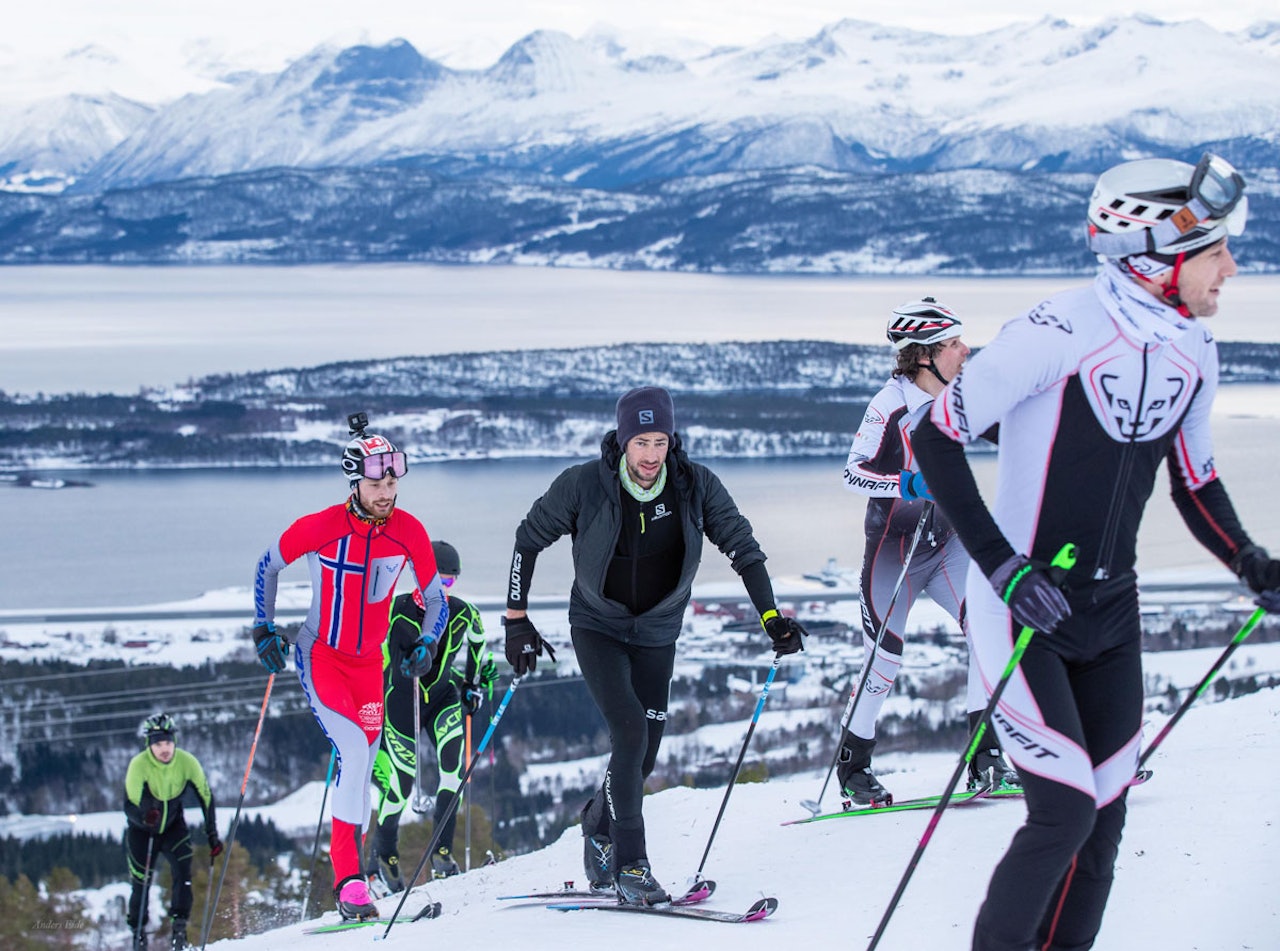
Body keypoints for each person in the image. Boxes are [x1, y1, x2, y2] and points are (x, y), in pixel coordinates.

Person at [913, 153, 1280, 951]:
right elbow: (933, 436)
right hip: (1020, 613)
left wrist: (1250, 559)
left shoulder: (1195, 352)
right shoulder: (1058, 329)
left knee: (1105, 824)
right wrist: (1004, 569)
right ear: (1159, 253)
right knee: (1065, 810)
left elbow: (1195, 481)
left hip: (1112, 615)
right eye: (1216, 249)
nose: (1232, 267)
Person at [503, 385, 807, 906]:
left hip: (659, 632)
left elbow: (743, 547)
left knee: (643, 755)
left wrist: (771, 615)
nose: (650, 455)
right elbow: (528, 539)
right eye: (640, 442)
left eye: (659, 441)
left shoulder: (695, 486)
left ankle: (598, 823)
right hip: (598, 626)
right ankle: (632, 866)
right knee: (628, 730)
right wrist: (515, 619)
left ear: (671, 440)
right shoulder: (583, 485)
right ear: (624, 441)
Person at [250, 412, 448, 921]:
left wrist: (427, 641)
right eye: (377, 483)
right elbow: (268, 564)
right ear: (355, 481)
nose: (386, 492)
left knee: (362, 772)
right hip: (321, 658)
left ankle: (354, 879)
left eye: (392, 482)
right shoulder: (321, 527)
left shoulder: (408, 532)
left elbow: (432, 597)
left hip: (369, 668)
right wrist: (262, 626)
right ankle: (349, 882)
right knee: (356, 753)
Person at [836, 297, 1017, 807]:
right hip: (896, 551)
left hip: (947, 545)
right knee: (885, 658)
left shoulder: (959, 394)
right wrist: (909, 482)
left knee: (988, 631)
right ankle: (853, 767)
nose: (966, 350)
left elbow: (1005, 431)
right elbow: (852, 471)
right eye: (955, 343)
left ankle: (986, 758)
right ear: (924, 355)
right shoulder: (888, 405)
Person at [368, 540, 499, 893]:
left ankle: (442, 856)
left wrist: (474, 684)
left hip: (442, 697)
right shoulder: (396, 611)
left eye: (449, 583)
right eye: (434, 582)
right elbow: (376, 658)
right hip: (400, 702)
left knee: (453, 773)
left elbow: (479, 645)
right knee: (400, 788)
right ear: (418, 578)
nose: (440, 590)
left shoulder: (464, 612)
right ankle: (385, 857)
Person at [124, 713, 221, 951]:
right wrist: (144, 816)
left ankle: (179, 930)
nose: (165, 748)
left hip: (173, 828)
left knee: (182, 875)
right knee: (141, 883)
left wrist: (212, 835)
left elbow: (206, 796)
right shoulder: (139, 765)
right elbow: (129, 804)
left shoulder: (186, 762)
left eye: (168, 742)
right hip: (142, 832)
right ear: (149, 745)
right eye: (158, 744)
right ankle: (138, 936)